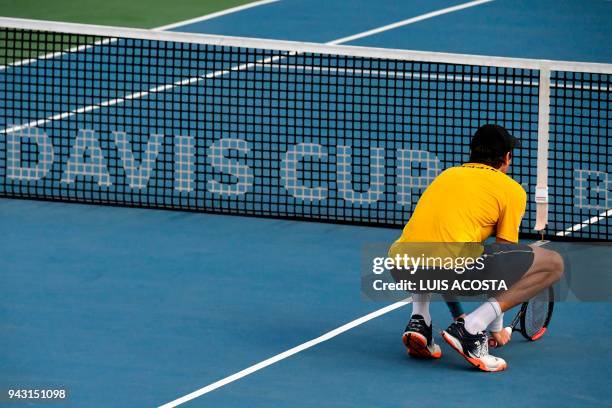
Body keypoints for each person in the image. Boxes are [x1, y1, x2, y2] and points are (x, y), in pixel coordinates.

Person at [387, 124, 564, 372]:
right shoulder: (511, 190)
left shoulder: (446, 176)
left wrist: (457, 314)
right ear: (506, 158)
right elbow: (505, 261)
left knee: (433, 248)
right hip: (449, 267)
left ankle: (420, 321)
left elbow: (442, 247)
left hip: (400, 266)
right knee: (554, 262)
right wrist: (492, 326)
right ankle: (470, 330)